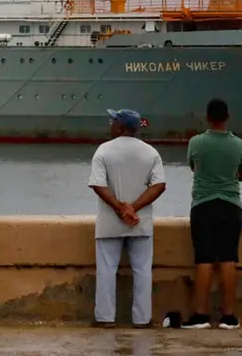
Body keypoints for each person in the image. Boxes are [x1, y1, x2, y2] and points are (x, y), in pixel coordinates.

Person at [88, 108, 166, 329]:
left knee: (106, 269)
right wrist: (133, 208)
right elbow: (159, 185)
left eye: (113, 121)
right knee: (142, 271)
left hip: (109, 223)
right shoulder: (151, 153)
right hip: (140, 222)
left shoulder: (104, 151)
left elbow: (98, 185)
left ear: (120, 127)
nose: (110, 124)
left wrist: (120, 208)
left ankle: (105, 318)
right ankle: (142, 319)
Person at [182, 98, 242, 329]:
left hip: (203, 205)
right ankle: (228, 316)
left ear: (207, 117)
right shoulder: (239, 144)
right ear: (227, 117)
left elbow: (193, 167)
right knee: (229, 258)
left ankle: (201, 315)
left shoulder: (196, 142)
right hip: (231, 205)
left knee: (204, 259)